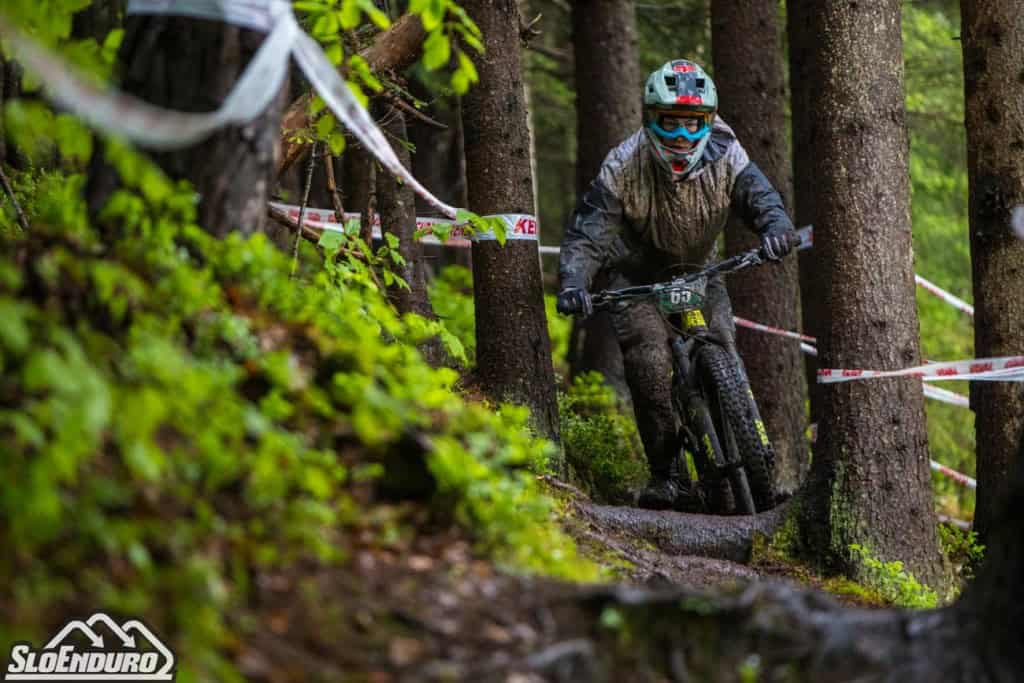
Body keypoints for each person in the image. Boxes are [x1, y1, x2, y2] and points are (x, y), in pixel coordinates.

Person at [556, 59, 796, 511]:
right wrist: (573, 281)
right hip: (636, 279)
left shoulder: (728, 152)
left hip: (698, 271)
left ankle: (755, 456)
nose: (683, 138)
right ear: (651, 120)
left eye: (693, 125)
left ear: (709, 121)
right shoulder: (623, 163)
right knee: (649, 363)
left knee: (722, 344)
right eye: (672, 124)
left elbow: (760, 197)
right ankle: (666, 476)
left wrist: (776, 228)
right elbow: (589, 233)